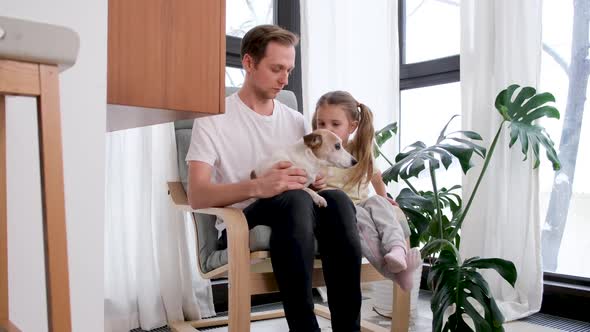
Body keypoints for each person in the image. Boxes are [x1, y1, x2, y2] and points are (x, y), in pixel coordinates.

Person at [185, 25, 362, 332]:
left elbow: (306, 172)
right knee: (292, 199)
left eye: (289, 70)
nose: (284, 79)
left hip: (296, 213)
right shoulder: (212, 117)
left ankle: (348, 328)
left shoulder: (294, 120)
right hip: (242, 220)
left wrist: (313, 181)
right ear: (249, 63)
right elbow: (196, 195)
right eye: (276, 68)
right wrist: (259, 186)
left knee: (338, 200)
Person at [312, 90, 421, 291]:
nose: (327, 129)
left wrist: (386, 199)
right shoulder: (315, 153)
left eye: (335, 124)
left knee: (379, 204)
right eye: (321, 124)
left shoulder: (359, 150)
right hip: (340, 211)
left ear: (352, 126)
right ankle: (395, 274)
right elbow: (306, 184)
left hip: (363, 203)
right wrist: (314, 184)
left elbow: (376, 178)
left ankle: (397, 250)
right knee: (364, 223)